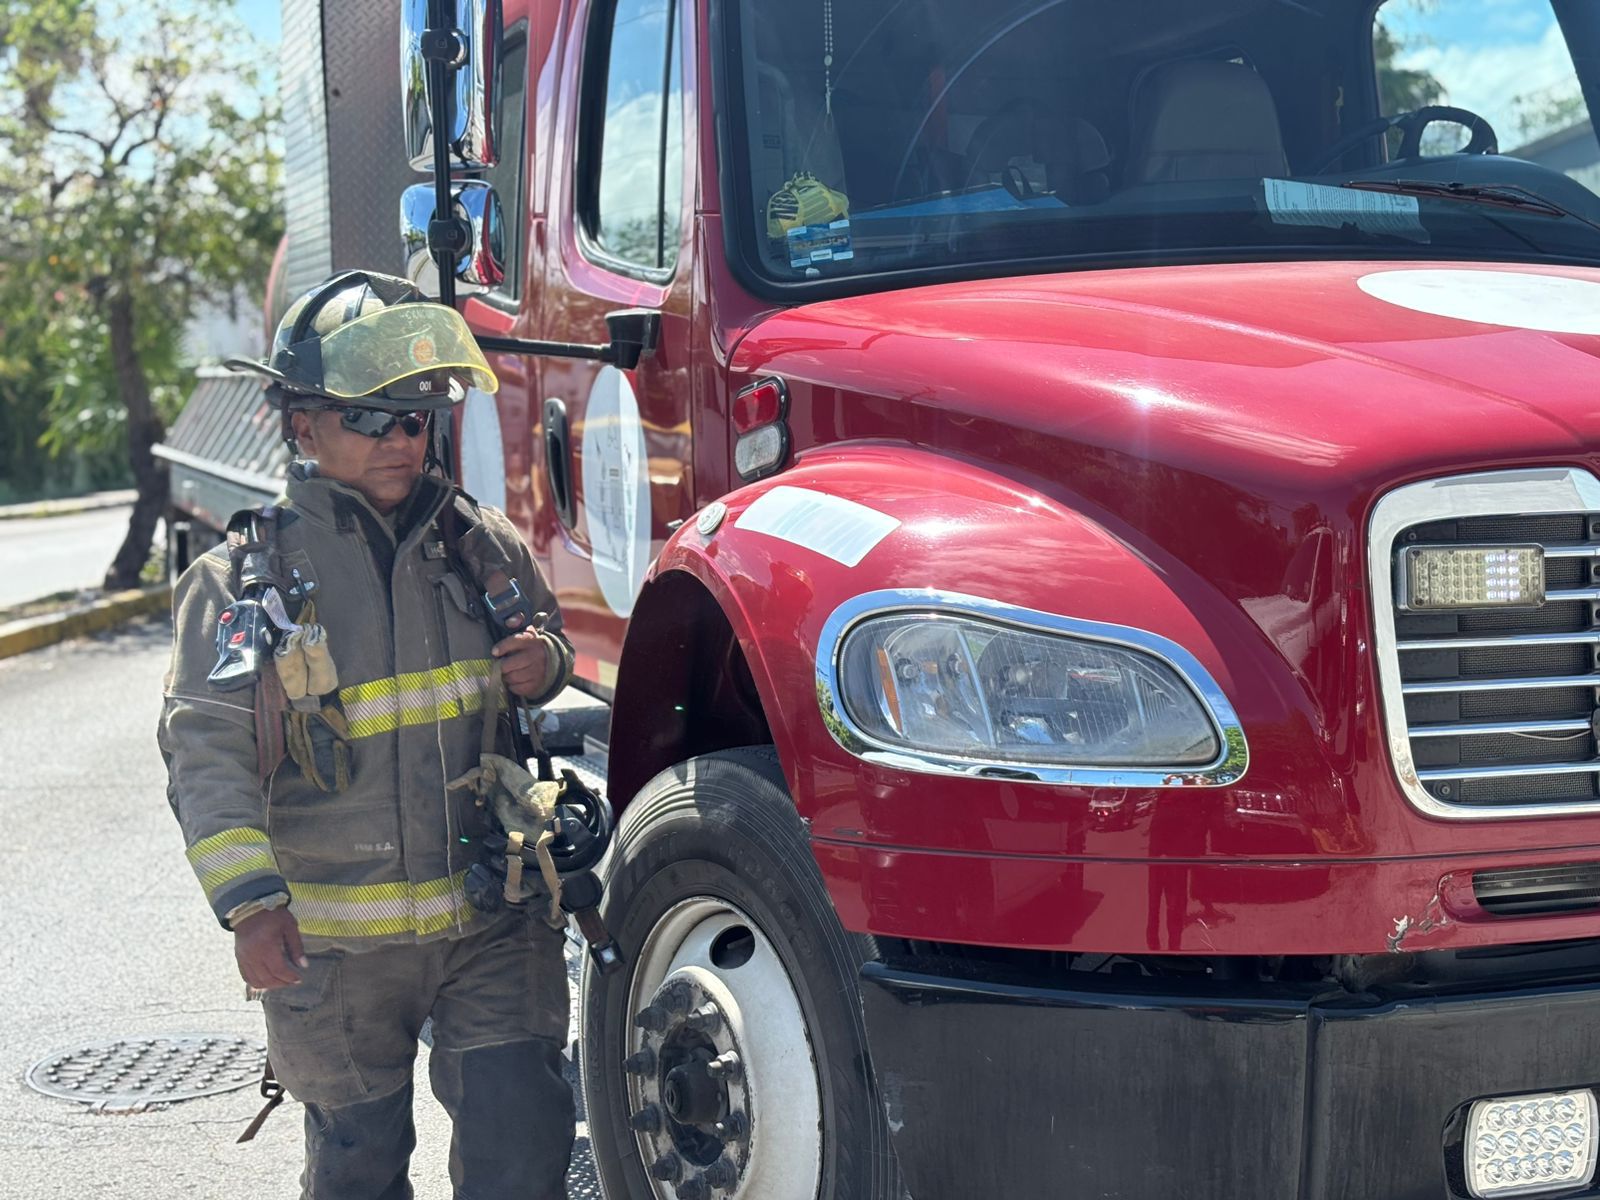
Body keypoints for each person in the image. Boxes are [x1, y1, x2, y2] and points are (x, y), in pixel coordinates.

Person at [158, 270, 577, 1200]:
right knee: (360, 1168)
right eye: (370, 417)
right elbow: (206, 751)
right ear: (302, 425)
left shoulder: (480, 545)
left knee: (523, 1148)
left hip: (492, 923)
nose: (400, 441)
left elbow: (547, 640)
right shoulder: (243, 583)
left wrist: (543, 661)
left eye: (415, 419)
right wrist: (250, 906)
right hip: (337, 952)